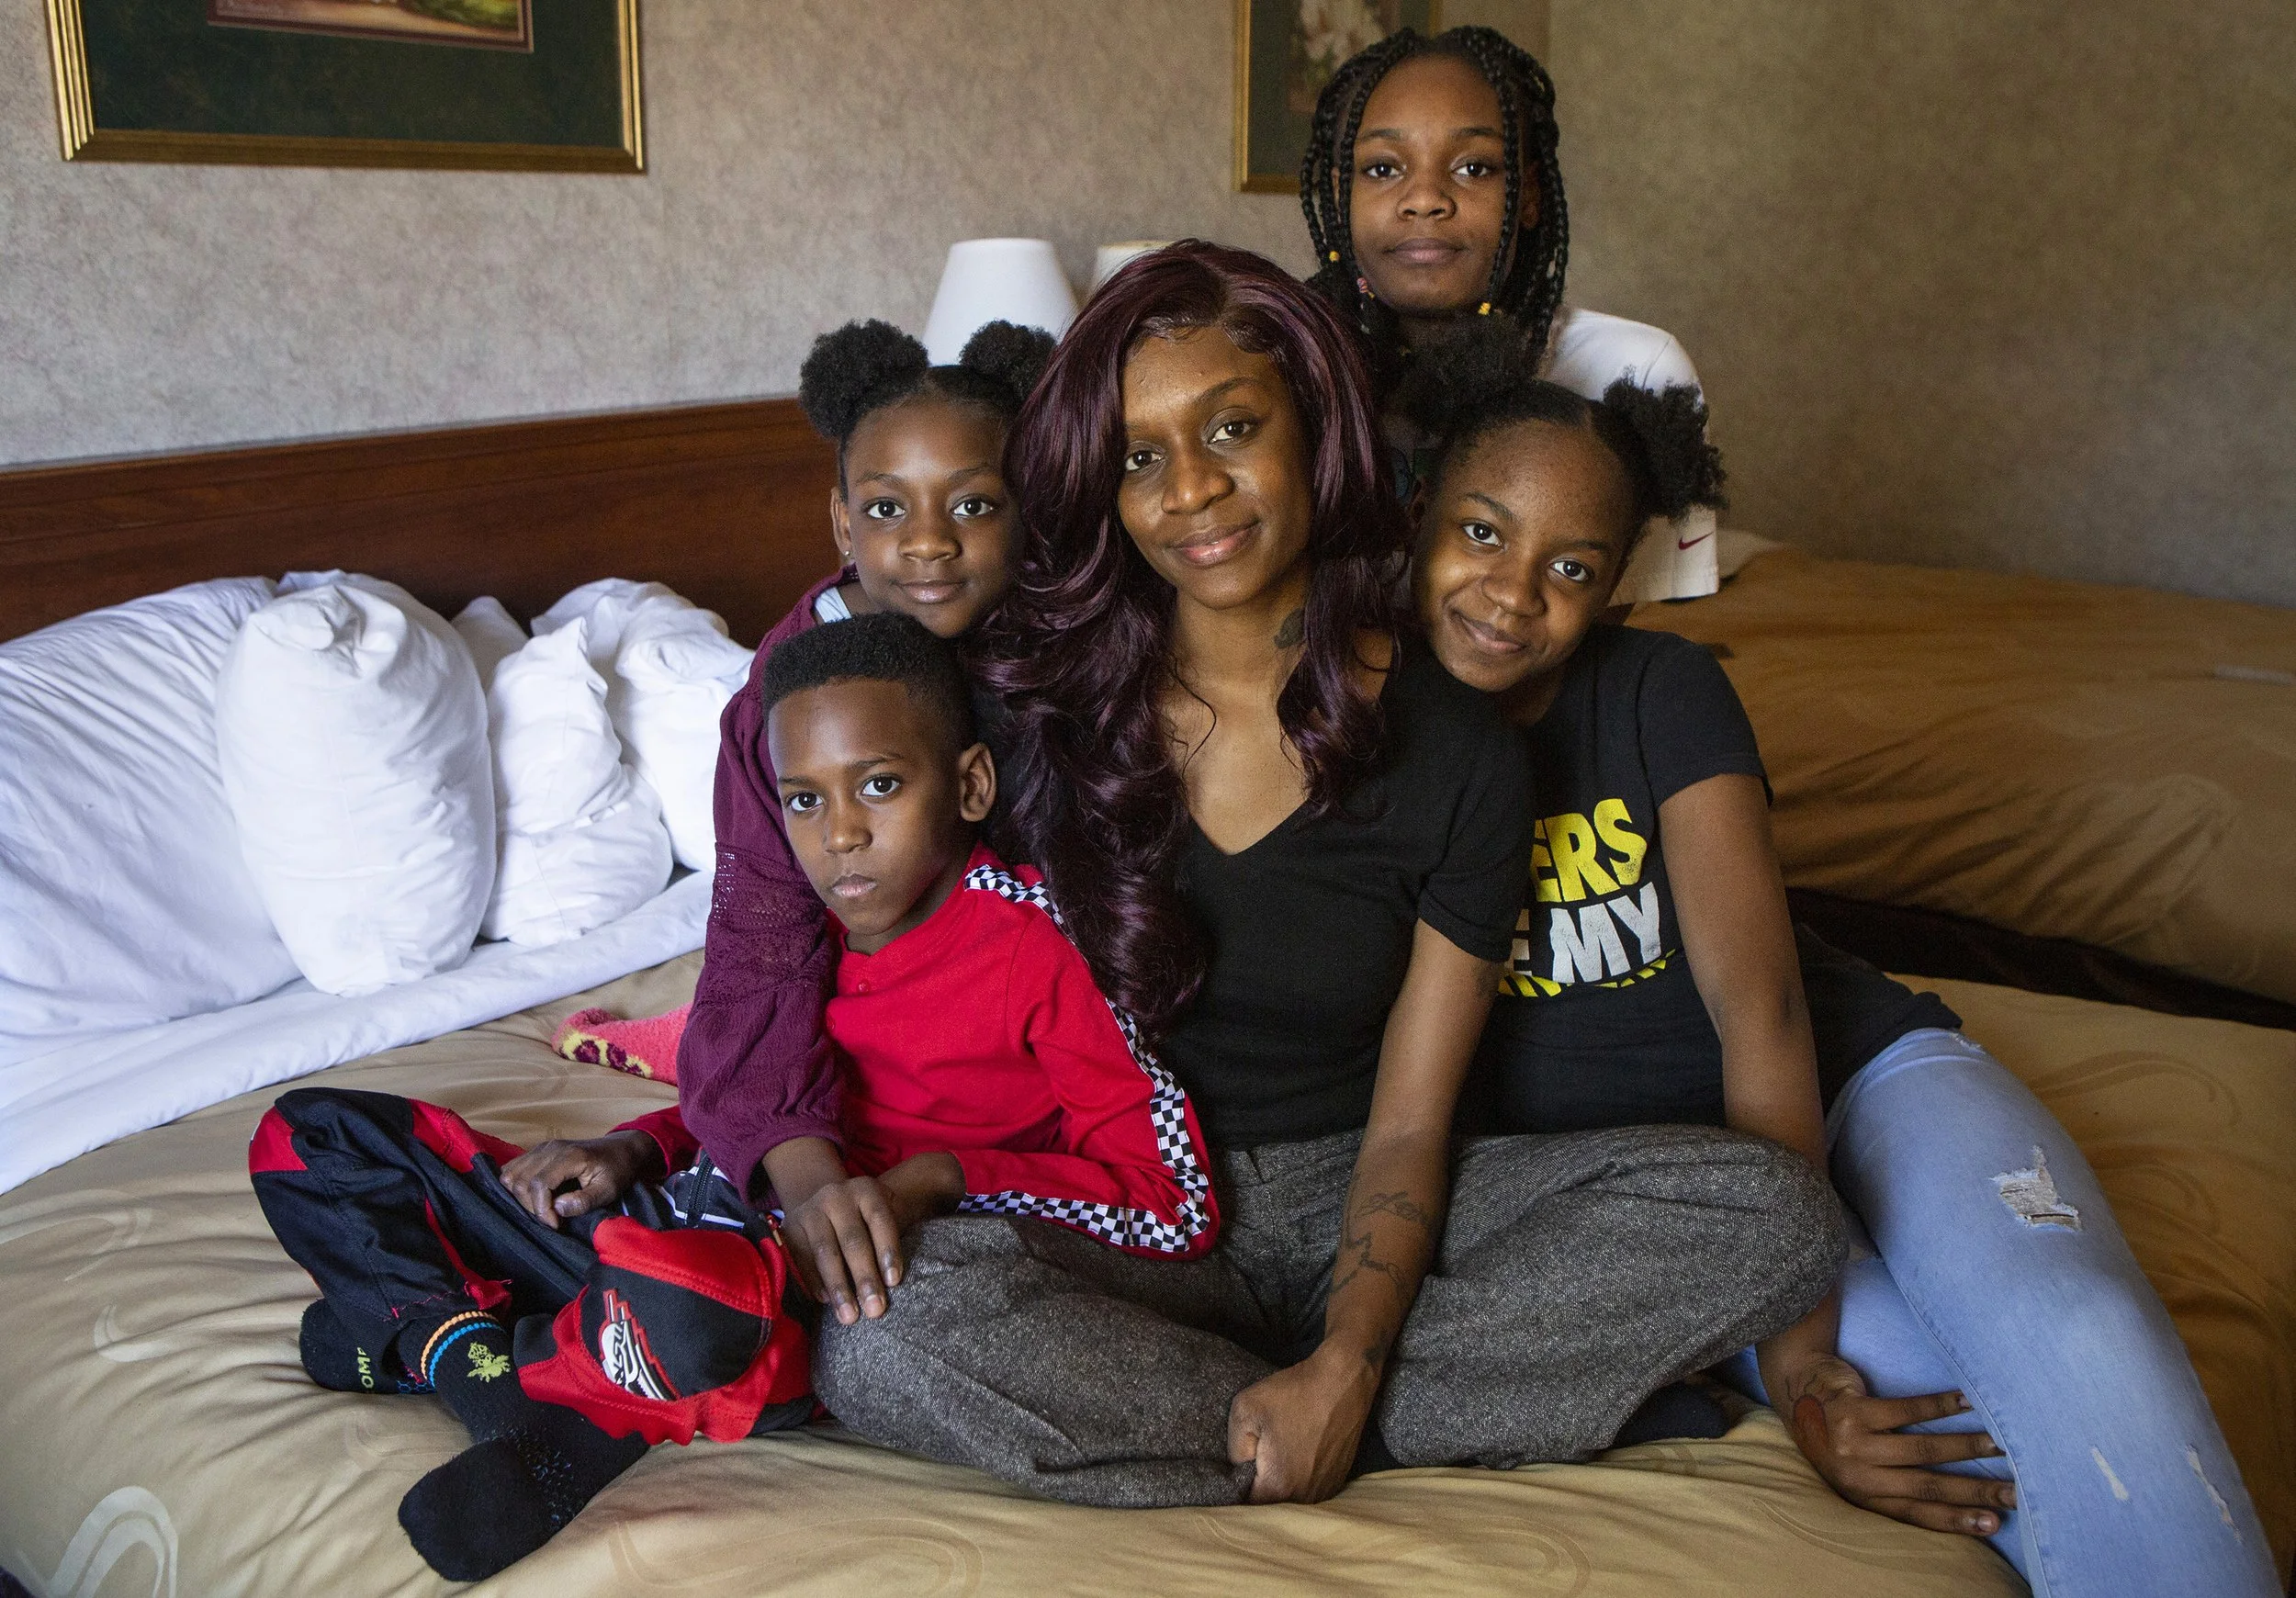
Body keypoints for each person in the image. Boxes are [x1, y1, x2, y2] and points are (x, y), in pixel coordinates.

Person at [802, 240, 1845, 1511]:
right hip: (1139, 1207)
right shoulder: (1037, 726)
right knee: (880, 1332)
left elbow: (1409, 1126)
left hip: (1370, 1191)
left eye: (1232, 428)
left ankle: (1306, 1408)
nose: (1193, 489)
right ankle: (1417, 1411)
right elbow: (819, 877)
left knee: (1774, 1211)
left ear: (1313, 428)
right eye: (1140, 457)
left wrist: (1350, 1353)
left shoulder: (1455, 747)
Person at [1394, 324, 2278, 1598]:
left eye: (1570, 566)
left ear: (1617, 586)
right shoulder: (1358, 733)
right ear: (1417, 518)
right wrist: (1811, 1379)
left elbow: (1763, 1017)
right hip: (1667, 1198)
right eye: (1482, 533)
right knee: (1954, 1424)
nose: (1512, 591)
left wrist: (1797, 1358)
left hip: (1855, 1081)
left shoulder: (1658, 691)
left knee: (2083, 1334)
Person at [250, 611, 1217, 1579]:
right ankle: (494, 1374)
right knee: (312, 1136)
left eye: (880, 786)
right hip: (671, 1215)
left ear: (968, 785)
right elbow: (754, 1094)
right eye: (804, 801)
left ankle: (437, 1335)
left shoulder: (1044, 944)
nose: (841, 834)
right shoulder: (789, 938)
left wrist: (940, 1180)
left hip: (782, 1291)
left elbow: (1172, 1202)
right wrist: (637, 1147)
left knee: (688, 1303)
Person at [554, 321, 1052, 1310]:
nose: (928, 542)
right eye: (885, 508)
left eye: (973, 504)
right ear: (841, 522)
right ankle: (679, 1098)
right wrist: (814, 1186)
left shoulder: (1069, 649)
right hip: (849, 989)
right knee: (737, 1073)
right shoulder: (779, 704)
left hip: (1011, 1013)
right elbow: (763, 944)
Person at [1299, 24, 1717, 604]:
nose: (1425, 199)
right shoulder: (1288, 364)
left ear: (1530, 195)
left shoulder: (1633, 369)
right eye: (1382, 169)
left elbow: (1638, 626)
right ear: (1341, 195)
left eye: (1474, 168)